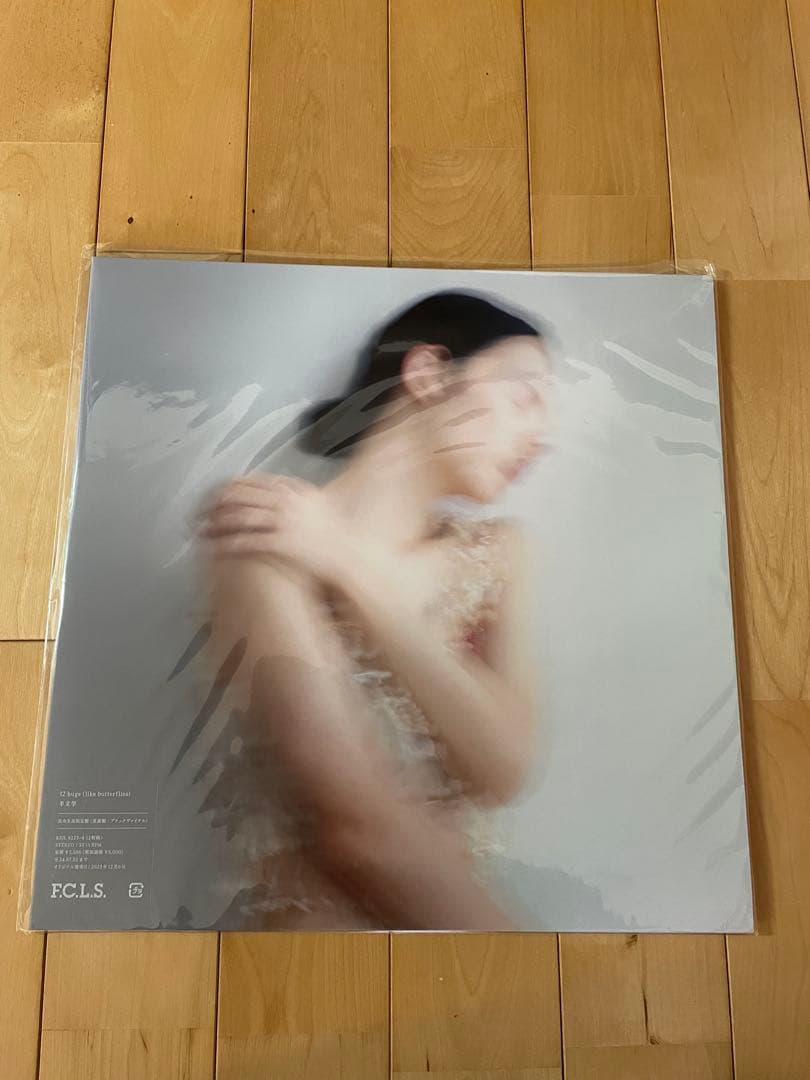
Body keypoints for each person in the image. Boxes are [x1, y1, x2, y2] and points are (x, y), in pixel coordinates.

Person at [198, 291, 551, 929]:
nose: (540, 438)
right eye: (525, 397)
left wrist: (351, 566)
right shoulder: (265, 529)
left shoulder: (499, 555)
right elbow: (356, 830)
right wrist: (529, 968)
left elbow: (503, 770)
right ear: (428, 374)